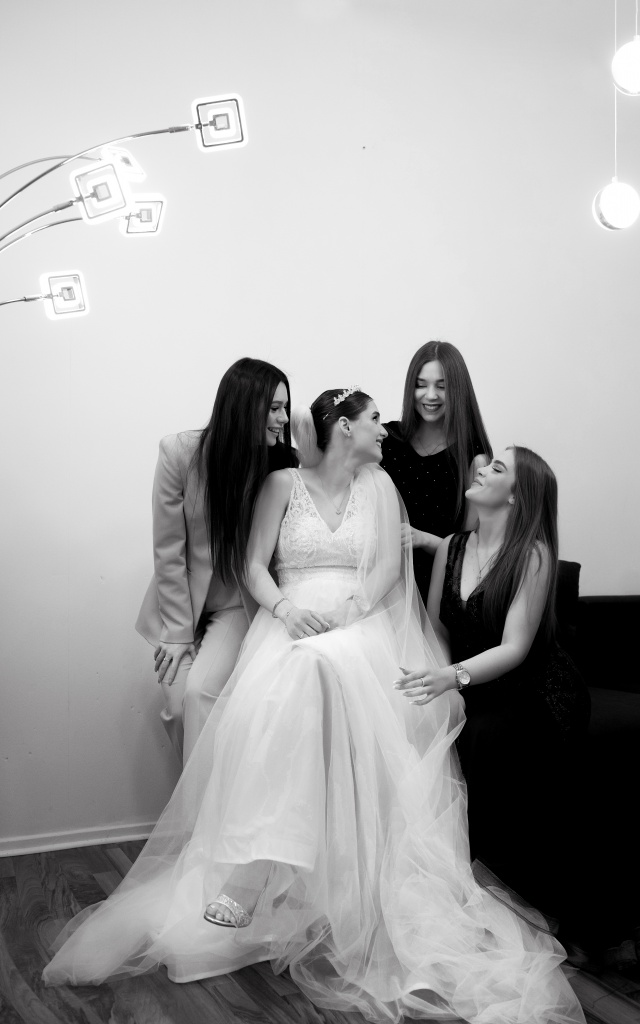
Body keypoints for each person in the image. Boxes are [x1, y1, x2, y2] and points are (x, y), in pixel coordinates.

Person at [44, 393, 584, 1024]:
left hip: (358, 622)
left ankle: (256, 870)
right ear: (344, 427)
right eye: (376, 420)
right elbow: (252, 564)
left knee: (320, 668)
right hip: (291, 620)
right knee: (297, 672)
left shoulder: (382, 486)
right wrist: (286, 610)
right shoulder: (282, 483)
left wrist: (354, 611)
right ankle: (258, 863)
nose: (386, 430)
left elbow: (388, 569)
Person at [396, 445, 591, 924]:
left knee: (482, 736)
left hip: (535, 691)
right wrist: (440, 681)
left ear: (517, 497)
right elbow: (439, 628)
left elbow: (515, 648)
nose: (481, 469)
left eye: (497, 468)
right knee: (422, 727)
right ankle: (445, 879)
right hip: (473, 685)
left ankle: (495, 890)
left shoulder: (532, 555)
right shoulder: (451, 546)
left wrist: (451, 677)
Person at [135, 357, 296, 763]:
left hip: (236, 603)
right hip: (179, 605)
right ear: (243, 406)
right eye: (274, 408)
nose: (283, 419)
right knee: (177, 709)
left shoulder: (282, 463)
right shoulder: (179, 452)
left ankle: (202, 807)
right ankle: (205, 796)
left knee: (200, 694)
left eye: (285, 408)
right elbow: (168, 549)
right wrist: (177, 633)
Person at [381, 340, 492, 602]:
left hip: (437, 590)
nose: (430, 396)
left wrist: (422, 539)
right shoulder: (386, 439)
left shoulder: (475, 459)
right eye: (421, 385)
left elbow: (471, 552)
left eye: (442, 387)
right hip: (382, 580)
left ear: (458, 390)